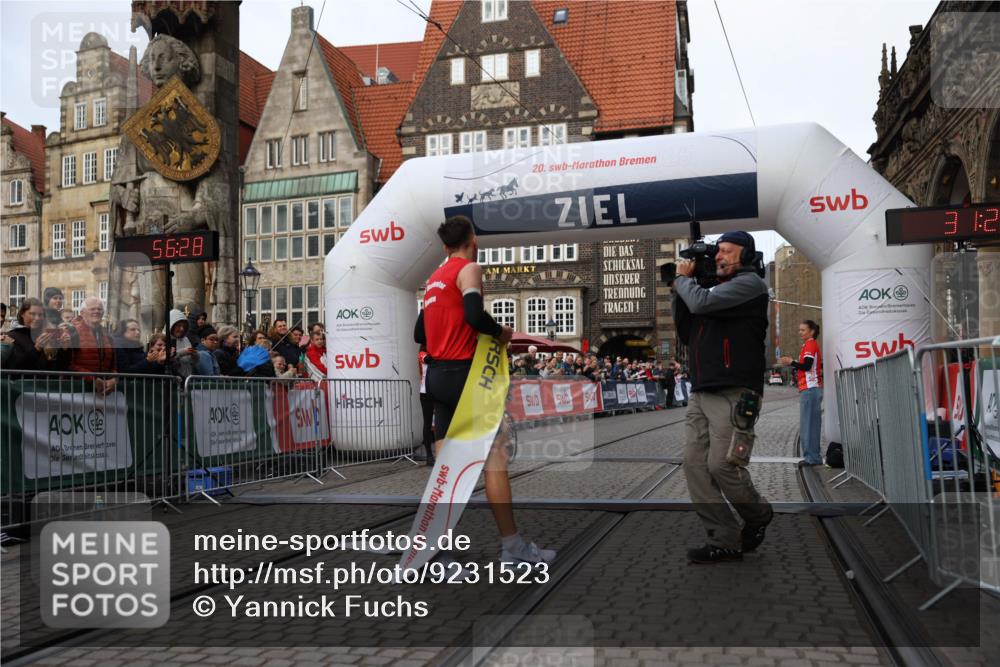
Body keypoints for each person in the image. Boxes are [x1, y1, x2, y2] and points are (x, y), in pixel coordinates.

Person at [414, 215, 554, 565]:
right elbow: (475, 315)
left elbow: (419, 333)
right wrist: (500, 333)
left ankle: (435, 554)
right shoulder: (469, 268)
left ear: (444, 246)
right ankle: (513, 548)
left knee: (446, 470)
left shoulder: (434, 280)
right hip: (466, 377)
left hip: (438, 378)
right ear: (472, 240)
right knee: (495, 461)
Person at [673, 231, 773, 563]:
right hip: (702, 391)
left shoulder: (750, 285)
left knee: (722, 465)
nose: (719, 256)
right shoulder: (711, 290)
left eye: (727, 251)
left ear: (746, 255)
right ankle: (724, 538)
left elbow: (701, 303)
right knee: (695, 466)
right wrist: (680, 291)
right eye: (717, 252)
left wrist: (683, 282)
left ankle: (758, 513)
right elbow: (686, 331)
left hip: (735, 390)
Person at [780, 320, 823, 466]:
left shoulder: (810, 344)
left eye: (803, 330)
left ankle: (812, 458)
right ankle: (813, 456)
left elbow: (807, 366)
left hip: (810, 388)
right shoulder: (808, 345)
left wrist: (791, 362)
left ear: (812, 331)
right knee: (810, 424)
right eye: (799, 330)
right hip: (809, 388)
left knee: (808, 424)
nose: (800, 332)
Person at [4, 298, 71, 371]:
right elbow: (14, 366)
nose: (37, 318)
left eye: (40, 315)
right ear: (22, 314)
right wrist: (36, 349)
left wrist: (65, 349)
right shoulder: (11, 336)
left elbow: (61, 366)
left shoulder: (47, 334)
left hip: (48, 378)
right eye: (32, 314)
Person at [68, 297, 117, 394]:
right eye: (92, 309)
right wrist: (92, 379)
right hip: (77, 390)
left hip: (103, 392)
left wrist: (113, 379)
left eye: (99, 309)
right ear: (82, 313)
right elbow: (68, 364)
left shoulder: (108, 335)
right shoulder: (72, 332)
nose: (97, 311)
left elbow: (113, 365)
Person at [417, 348, 435, 465]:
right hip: (426, 393)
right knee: (427, 424)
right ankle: (429, 456)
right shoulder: (422, 354)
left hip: (439, 391)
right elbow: (428, 359)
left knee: (442, 423)